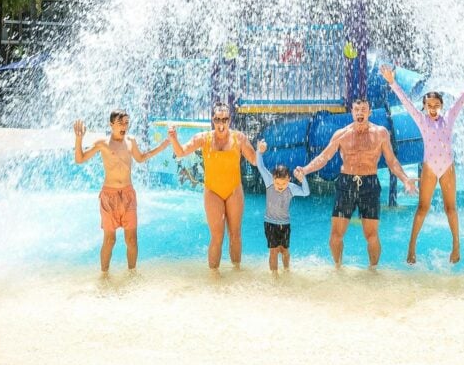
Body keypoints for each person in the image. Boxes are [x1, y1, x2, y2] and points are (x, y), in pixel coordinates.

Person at [380, 54, 464, 265]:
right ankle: (412, 247)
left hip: (447, 167)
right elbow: (404, 102)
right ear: (424, 106)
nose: (432, 108)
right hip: (430, 168)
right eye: (429, 105)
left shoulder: (449, 118)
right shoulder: (421, 120)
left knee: (451, 208)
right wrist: (392, 82)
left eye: (436, 105)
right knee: (422, 208)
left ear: (441, 105)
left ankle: (456, 245)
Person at [294, 99, 417, 269]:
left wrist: (405, 179)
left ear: (369, 112)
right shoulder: (341, 134)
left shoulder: (380, 133)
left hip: (370, 184)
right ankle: (338, 267)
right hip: (346, 184)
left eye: (364, 109)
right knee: (336, 235)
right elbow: (324, 157)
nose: (360, 112)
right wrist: (305, 170)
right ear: (352, 112)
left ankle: (373, 270)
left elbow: (391, 160)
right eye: (357, 109)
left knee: (371, 235)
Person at [74, 110, 171, 273]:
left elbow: (140, 158)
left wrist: (161, 147)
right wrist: (79, 139)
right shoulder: (102, 143)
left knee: (132, 239)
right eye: (121, 123)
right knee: (110, 240)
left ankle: (132, 274)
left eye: (127, 123)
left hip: (128, 194)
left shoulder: (131, 141)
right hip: (109, 196)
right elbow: (80, 159)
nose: (124, 126)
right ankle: (104, 275)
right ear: (111, 124)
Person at [168, 102, 258, 272]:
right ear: (213, 120)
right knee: (217, 237)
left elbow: (253, 160)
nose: (221, 123)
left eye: (224, 119)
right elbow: (180, 152)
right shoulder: (203, 138)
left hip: (234, 190)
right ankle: (213, 276)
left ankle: (236, 270)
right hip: (213, 192)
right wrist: (173, 138)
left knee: (235, 235)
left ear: (229, 120)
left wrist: (259, 150)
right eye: (218, 119)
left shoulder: (239, 138)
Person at [256, 140, 309, 272]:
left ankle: (286, 271)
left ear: (289, 180)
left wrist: (303, 180)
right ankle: (274, 275)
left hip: (285, 224)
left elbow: (306, 192)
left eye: (283, 184)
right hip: (270, 223)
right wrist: (259, 152)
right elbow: (260, 166)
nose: (280, 187)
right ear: (273, 178)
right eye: (277, 184)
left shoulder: (291, 188)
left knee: (284, 250)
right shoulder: (269, 182)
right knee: (273, 251)